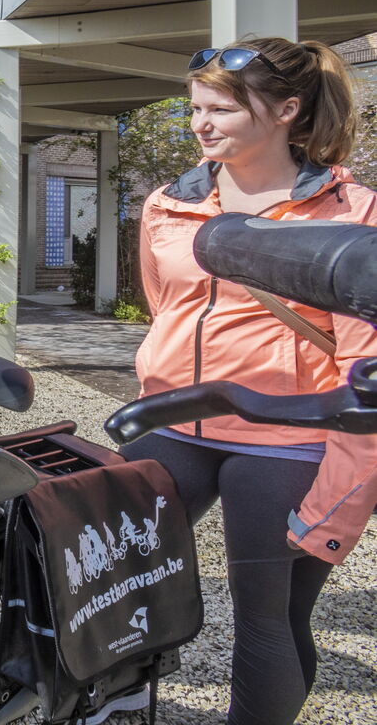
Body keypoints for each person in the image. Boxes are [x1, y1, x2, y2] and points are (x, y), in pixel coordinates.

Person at [124, 37, 377, 725]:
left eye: (220, 111)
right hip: (174, 423)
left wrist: (341, 503)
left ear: (286, 110)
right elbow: (165, 308)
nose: (199, 124)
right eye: (195, 108)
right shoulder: (167, 204)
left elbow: (367, 370)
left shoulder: (351, 212)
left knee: (267, 619)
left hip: (289, 441)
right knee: (108, 575)